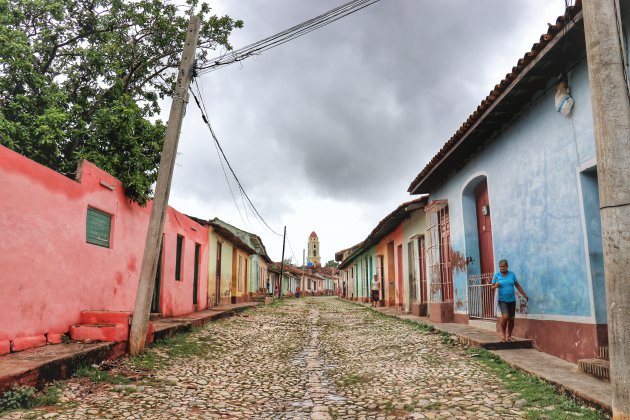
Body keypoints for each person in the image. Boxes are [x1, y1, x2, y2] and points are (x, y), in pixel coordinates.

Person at [491, 259, 528, 342]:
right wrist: (496, 285)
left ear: (507, 266)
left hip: (512, 300)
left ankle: (509, 336)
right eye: (500, 266)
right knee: (505, 316)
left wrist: (524, 295)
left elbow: (517, 285)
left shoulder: (512, 275)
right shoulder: (496, 275)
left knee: (511, 319)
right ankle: (503, 334)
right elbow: (491, 288)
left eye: (504, 266)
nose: (502, 268)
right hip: (502, 300)